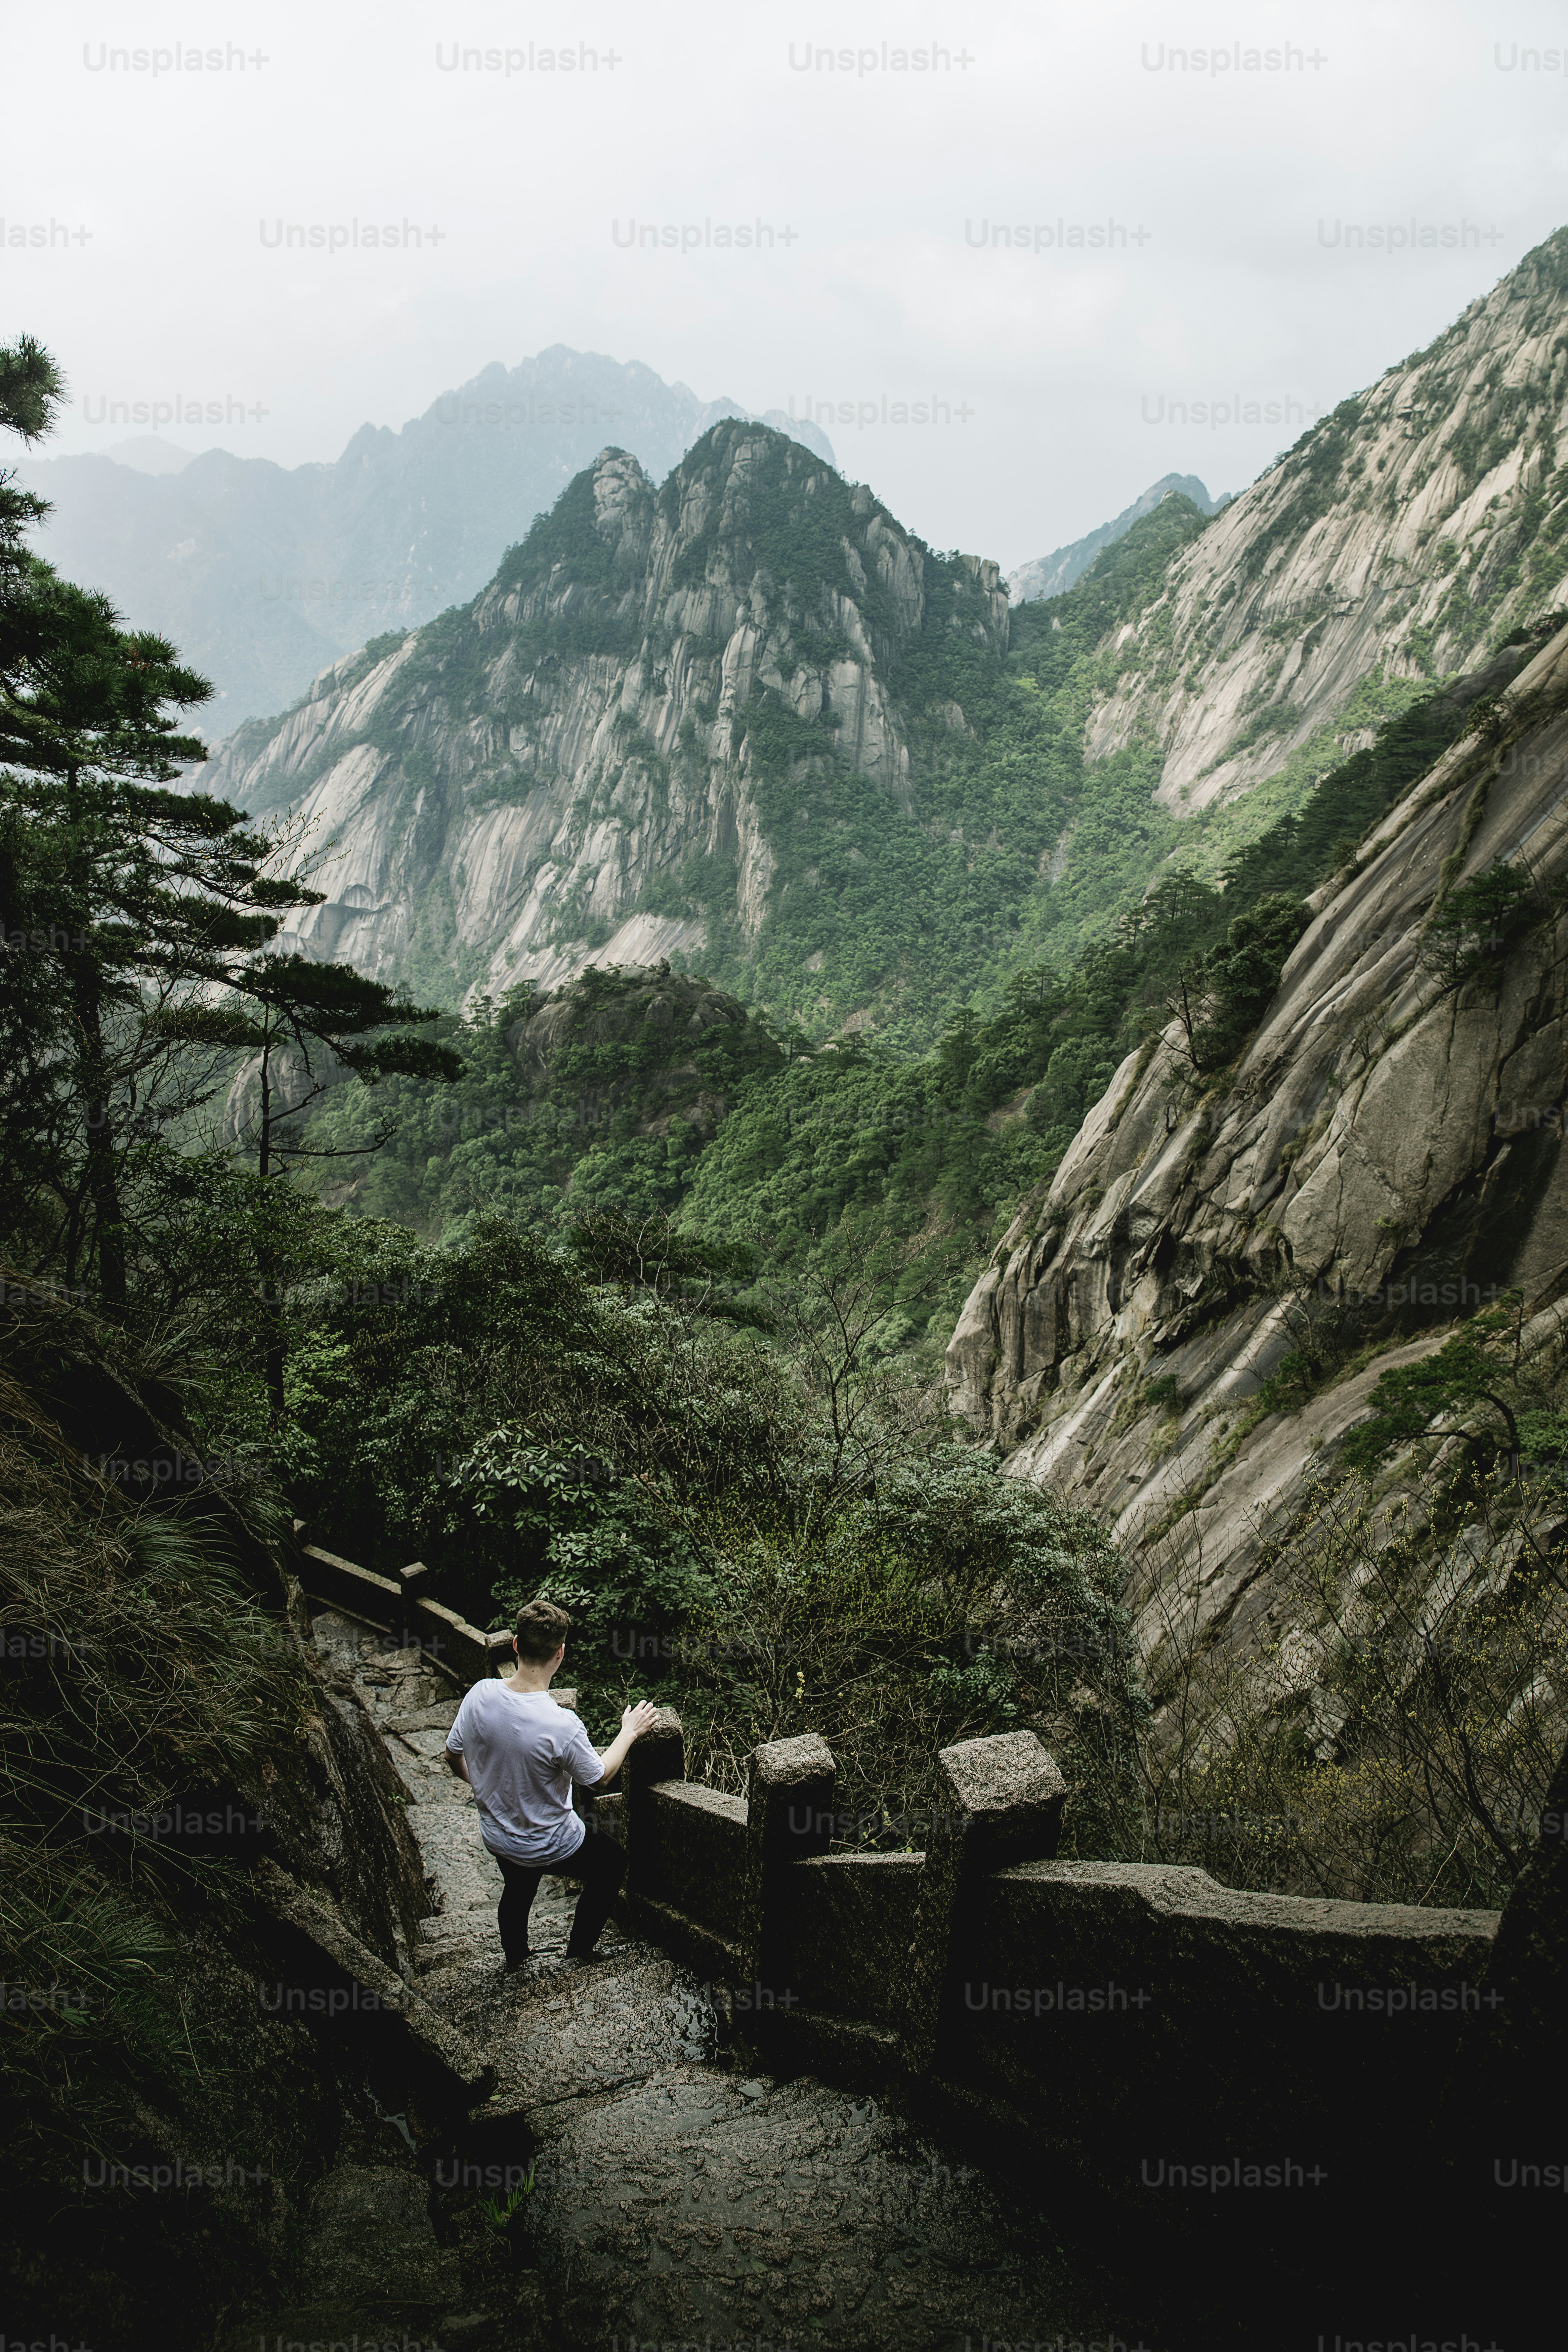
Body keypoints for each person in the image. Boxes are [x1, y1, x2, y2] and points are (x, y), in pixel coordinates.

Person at [443, 1597, 658, 1971]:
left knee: (518, 1884)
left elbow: (452, 1755)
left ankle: (516, 1957)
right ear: (560, 1653)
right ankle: (579, 1952)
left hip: (498, 1834)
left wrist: (483, 1790)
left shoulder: (480, 1694)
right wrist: (629, 1732)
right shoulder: (561, 1724)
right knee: (612, 1862)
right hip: (550, 1842)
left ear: (515, 1644)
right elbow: (601, 1776)